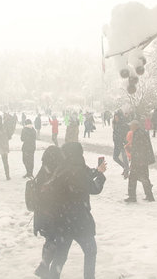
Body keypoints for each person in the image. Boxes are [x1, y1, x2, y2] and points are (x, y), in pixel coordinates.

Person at [49, 142, 107, 279]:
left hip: (62, 220)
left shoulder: (62, 167)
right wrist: (100, 176)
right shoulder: (76, 170)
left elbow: (85, 174)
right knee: (91, 251)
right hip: (79, 220)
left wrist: (97, 171)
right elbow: (94, 188)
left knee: (60, 255)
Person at [33, 146, 64, 279]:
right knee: (57, 242)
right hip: (54, 214)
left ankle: (44, 264)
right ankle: (47, 268)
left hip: (42, 214)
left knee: (49, 240)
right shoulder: (59, 171)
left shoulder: (43, 170)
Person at [125, 120, 155, 203]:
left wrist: (131, 150)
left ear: (135, 126)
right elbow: (140, 147)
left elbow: (140, 148)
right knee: (144, 177)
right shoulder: (141, 132)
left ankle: (132, 197)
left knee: (133, 178)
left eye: (131, 126)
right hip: (142, 160)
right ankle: (149, 196)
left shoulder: (138, 134)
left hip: (139, 160)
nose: (130, 127)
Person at [112, 111, 130, 179]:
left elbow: (126, 134)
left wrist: (125, 142)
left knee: (124, 158)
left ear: (120, 117)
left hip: (123, 144)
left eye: (117, 117)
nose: (116, 119)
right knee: (115, 157)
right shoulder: (115, 124)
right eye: (115, 117)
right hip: (117, 143)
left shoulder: (123, 125)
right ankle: (125, 168)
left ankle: (126, 170)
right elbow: (115, 133)